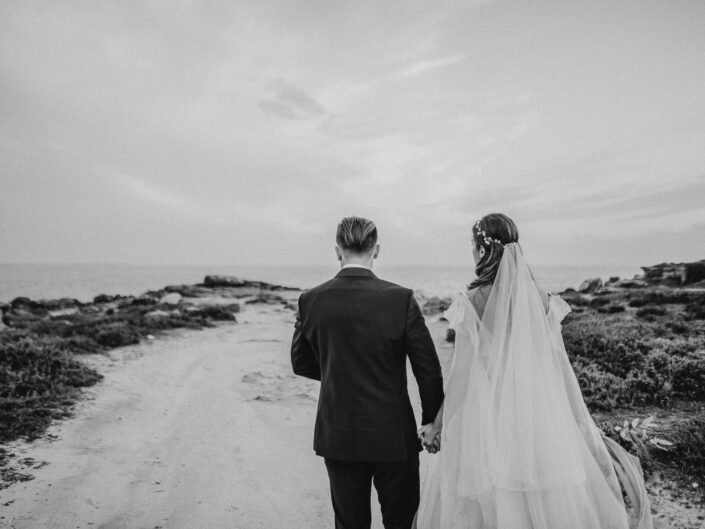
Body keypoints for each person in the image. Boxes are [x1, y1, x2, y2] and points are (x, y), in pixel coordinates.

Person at [415, 213, 653, 529]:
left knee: (492, 502)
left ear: (483, 250)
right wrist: (578, 421)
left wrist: (437, 425)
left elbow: (461, 377)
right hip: (538, 415)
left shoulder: (470, 302)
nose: (472, 251)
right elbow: (559, 366)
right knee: (539, 499)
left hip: (488, 419)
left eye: (472, 245)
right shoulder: (542, 300)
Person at [291, 216, 444, 529]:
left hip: (338, 434)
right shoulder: (401, 299)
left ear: (338, 251)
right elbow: (427, 368)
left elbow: (300, 362)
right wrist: (431, 421)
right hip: (393, 435)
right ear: (377, 250)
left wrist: (339, 371)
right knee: (402, 522)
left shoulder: (310, 300)